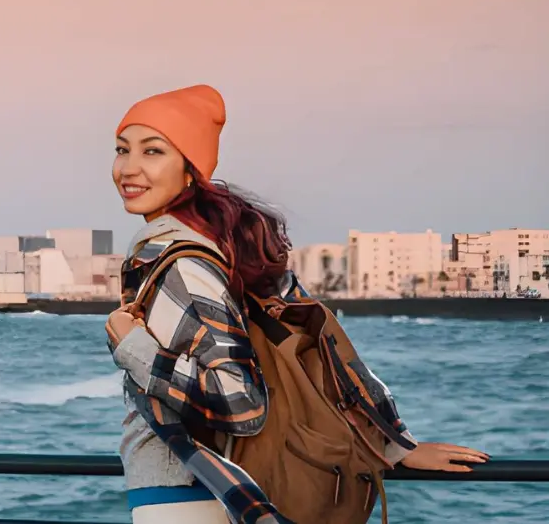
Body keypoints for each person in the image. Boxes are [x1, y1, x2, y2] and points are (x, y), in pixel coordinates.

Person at [104, 85, 488, 524]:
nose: (128, 168)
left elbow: (237, 401)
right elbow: (322, 348)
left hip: (186, 491)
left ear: (190, 169)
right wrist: (394, 444)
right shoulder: (229, 249)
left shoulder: (178, 260)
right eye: (121, 149)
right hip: (245, 485)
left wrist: (134, 347)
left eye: (153, 151)